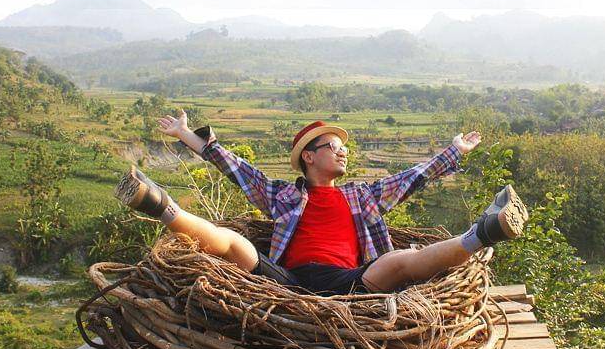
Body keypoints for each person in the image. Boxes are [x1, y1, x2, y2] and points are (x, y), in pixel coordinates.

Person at [114, 113, 528, 295]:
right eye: (334, 147)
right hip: (287, 281)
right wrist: (186, 135)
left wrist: (455, 151)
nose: (343, 152)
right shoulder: (284, 196)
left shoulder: (363, 196)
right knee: (235, 243)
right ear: (309, 157)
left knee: (397, 261)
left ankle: (484, 232)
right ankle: (160, 204)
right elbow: (238, 169)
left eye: (344, 148)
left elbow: (413, 177)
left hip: (350, 282)